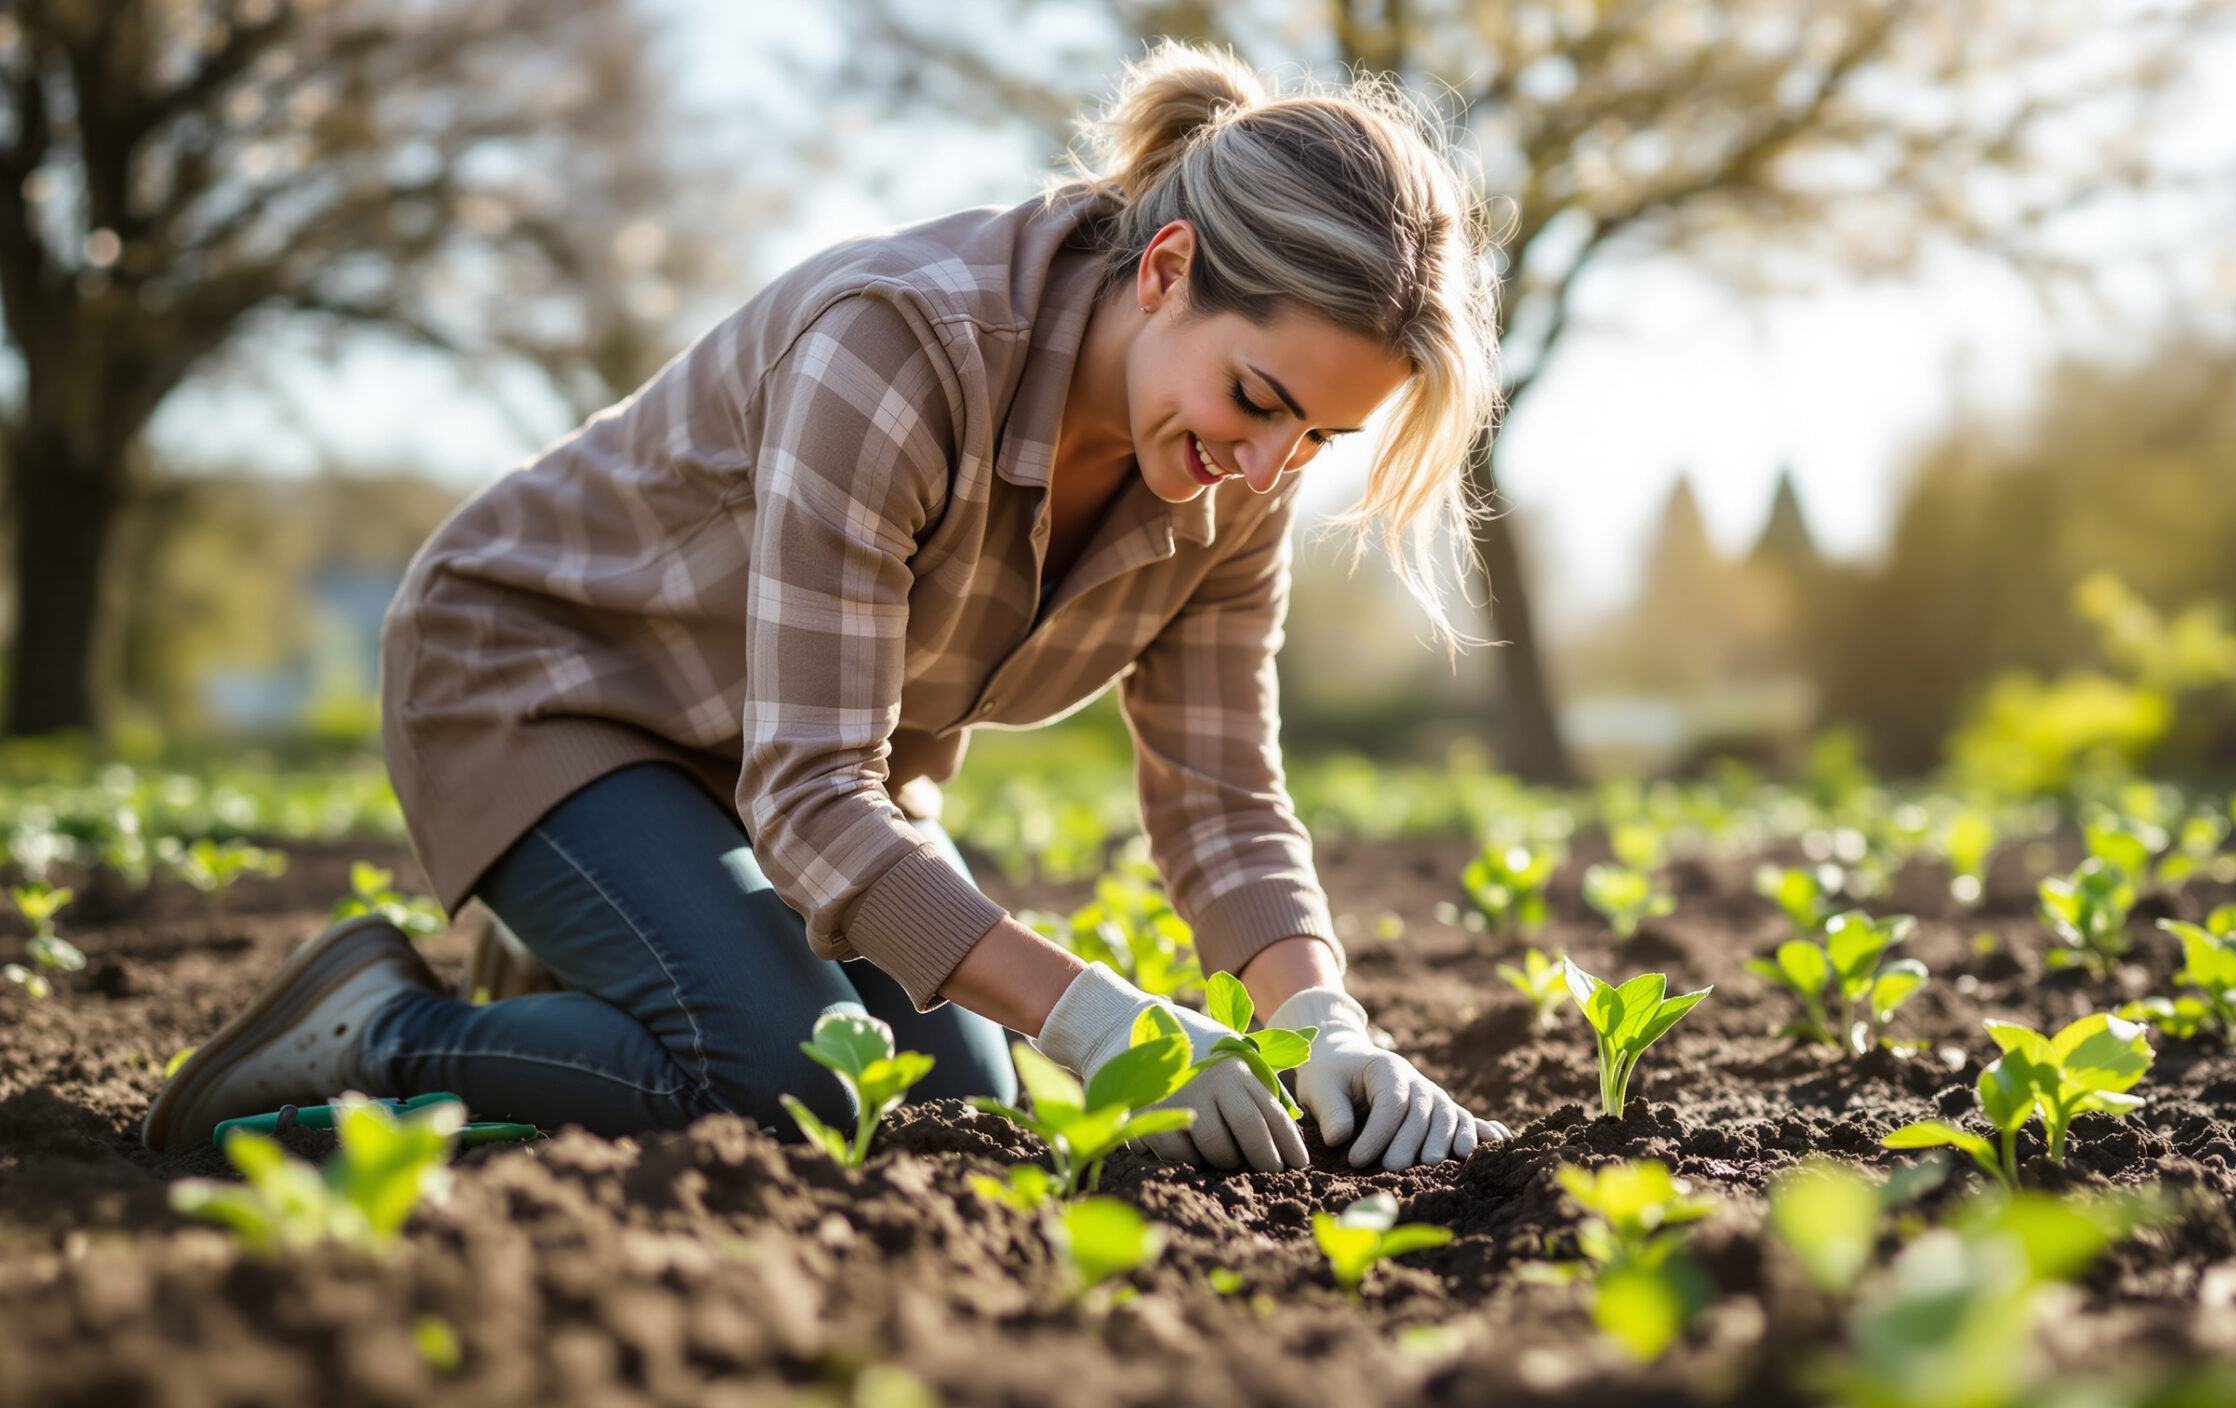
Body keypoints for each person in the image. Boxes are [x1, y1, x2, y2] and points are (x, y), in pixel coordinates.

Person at [143, 41, 1510, 1174]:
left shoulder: (1230, 474)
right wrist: (1099, 1014)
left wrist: (1325, 1018)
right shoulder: (900, 348)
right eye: (1261, 401)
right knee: (787, 1084)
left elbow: (1220, 796)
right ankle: (380, 1028)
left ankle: (621, 955)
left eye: (1319, 441)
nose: (1267, 468)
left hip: (780, 765)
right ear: (1162, 272)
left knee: (939, 1112)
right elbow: (810, 799)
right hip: (544, 683)